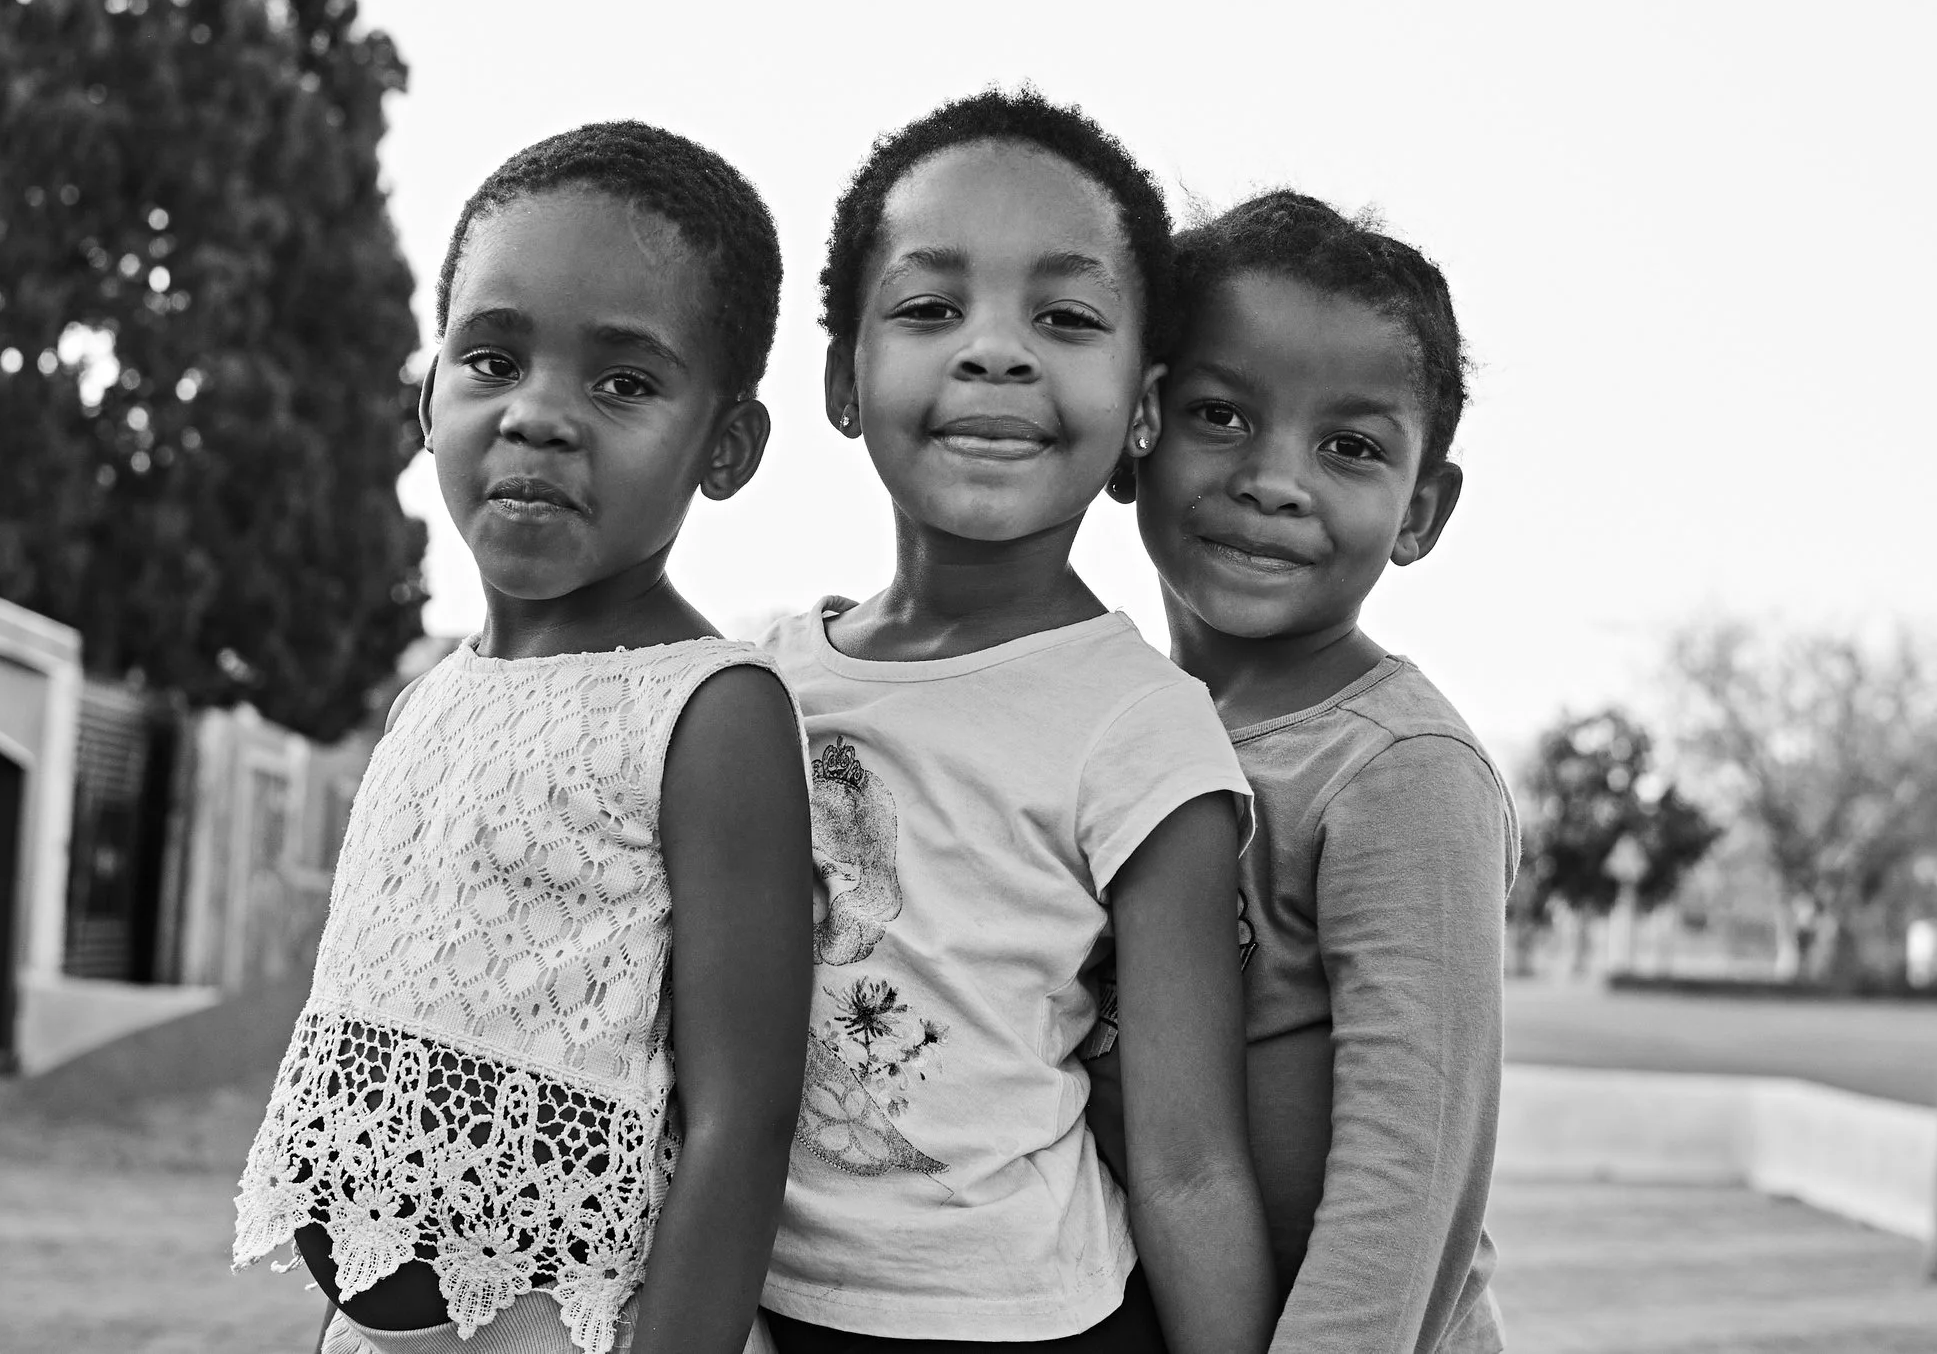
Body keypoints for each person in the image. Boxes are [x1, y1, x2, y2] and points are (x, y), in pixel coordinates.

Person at [233, 123, 815, 1354]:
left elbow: (742, 1117)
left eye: (623, 382)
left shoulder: (708, 709)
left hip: (559, 1326)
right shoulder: (433, 692)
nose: (540, 415)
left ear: (726, 445)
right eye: (493, 358)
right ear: (424, 395)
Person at [755, 90, 1276, 1354]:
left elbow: (1191, 1160)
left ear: (1141, 406)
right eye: (931, 308)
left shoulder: (1144, 729)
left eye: (1066, 316)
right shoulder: (754, 677)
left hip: (1026, 1324)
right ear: (843, 376)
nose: (996, 351)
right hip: (748, 1304)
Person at [1117, 190, 1519, 1354]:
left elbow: (1406, 1185)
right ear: (1134, 432)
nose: (1274, 479)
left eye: (1348, 446)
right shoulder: (1113, 726)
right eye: (1221, 414)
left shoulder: (1400, 772)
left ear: (1421, 511)